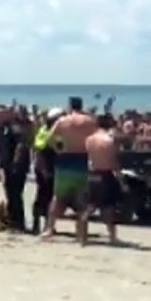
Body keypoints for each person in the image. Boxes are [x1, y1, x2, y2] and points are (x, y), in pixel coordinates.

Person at [41, 97, 97, 240]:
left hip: (65, 160)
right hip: (82, 159)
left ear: (70, 106)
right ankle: (81, 234)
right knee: (81, 199)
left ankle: (50, 228)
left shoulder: (63, 121)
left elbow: (49, 139)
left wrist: (59, 148)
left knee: (58, 197)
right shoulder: (90, 121)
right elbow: (97, 139)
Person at [81, 114, 122, 246]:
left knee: (89, 206)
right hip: (105, 174)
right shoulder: (109, 140)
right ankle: (112, 237)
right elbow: (114, 161)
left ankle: (83, 238)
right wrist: (121, 179)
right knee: (108, 207)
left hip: (92, 173)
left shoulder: (89, 139)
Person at [32, 108, 62, 234]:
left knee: (47, 195)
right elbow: (41, 146)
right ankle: (38, 223)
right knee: (44, 195)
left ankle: (46, 224)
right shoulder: (46, 131)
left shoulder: (47, 130)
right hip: (45, 166)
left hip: (47, 166)